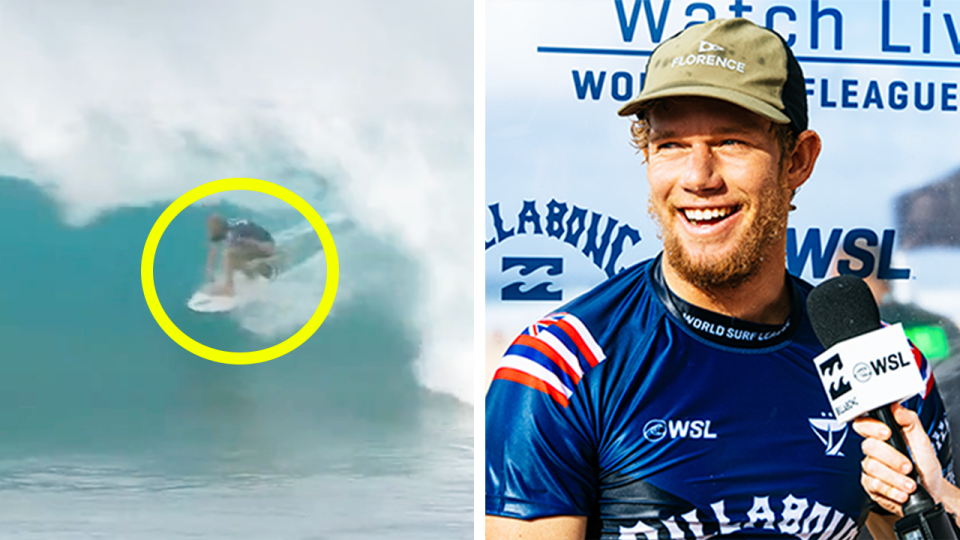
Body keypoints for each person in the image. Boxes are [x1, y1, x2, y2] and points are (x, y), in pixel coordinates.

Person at [485, 18, 954, 540]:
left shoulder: (888, 373)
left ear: (797, 160)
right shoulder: (559, 370)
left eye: (730, 141)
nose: (698, 177)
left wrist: (913, 521)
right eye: (670, 145)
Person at [205, 214, 276, 296]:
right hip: (258, 243)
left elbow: (231, 254)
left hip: (266, 246)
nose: (209, 231)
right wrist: (209, 271)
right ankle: (252, 273)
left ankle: (229, 288)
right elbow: (213, 248)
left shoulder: (233, 233)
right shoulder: (226, 226)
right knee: (235, 257)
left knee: (230, 255)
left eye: (211, 229)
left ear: (217, 228)